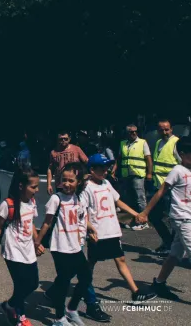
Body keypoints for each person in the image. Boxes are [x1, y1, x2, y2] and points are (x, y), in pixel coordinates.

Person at [81, 154, 156, 323]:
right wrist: (88, 227)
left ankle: (136, 292)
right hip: (98, 233)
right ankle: (84, 290)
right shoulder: (86, 187)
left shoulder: (107, 183)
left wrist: (136, 214)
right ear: (92, 170)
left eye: (107, 167)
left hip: (112, 230)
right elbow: (82, 210)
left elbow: (118, 202)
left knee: (120, 259)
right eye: (102, 168)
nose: (106, 171)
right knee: (90, 265)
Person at [36, 162, 93, 326]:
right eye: (64, 180)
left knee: (86, 277)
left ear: (79, 182)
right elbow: (46, 223)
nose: (67, 184)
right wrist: (37, 242)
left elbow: (82, 219)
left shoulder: (79, 198)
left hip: (75, 246)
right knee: (64, 281)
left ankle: (71, 309)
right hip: (60, 246)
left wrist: (91, 231)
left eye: (71, 180)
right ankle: (59, 318)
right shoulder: (56, 198)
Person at [137, 137, 191, 301]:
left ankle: (159, 283)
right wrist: (145, 212)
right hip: (182, 219)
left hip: (188, 218)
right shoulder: (178, 170)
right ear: (182, 154)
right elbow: (161, 192)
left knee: (175, 254)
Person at [0, 167, 43, 326]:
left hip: (28, 249)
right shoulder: (8, 204)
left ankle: (9, 305)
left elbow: (32, 223)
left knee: (33, 283)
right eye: (33, 187)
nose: (37, 190)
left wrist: (37, 242)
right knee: (21, 284)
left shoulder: (32, 202)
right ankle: (20, 317)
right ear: (21, 186)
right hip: (13, 250)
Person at [111, 124, 153, 230]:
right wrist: (114, 169)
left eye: (135, 131)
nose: (134, 133)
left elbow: (148, 159)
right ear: (127, 133)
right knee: (129, 198)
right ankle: (133, 219)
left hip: (138, 173)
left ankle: (144, 221)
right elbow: (119, 158)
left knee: (140, 198)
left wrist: (149, 173)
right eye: (131, 132)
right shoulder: (123, 144)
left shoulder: (142, 142)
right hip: (126, 174)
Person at [150, 119, 180, 256]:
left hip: (172, 188)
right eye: (161, 130)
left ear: (171, 129)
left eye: (167, 129)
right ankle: (168, 242)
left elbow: (183, 164)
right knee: (154, 216)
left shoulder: (176, 143)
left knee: (173, 218)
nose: (164, 132)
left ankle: (173, 247)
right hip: (159, 186)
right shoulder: (158, 143)